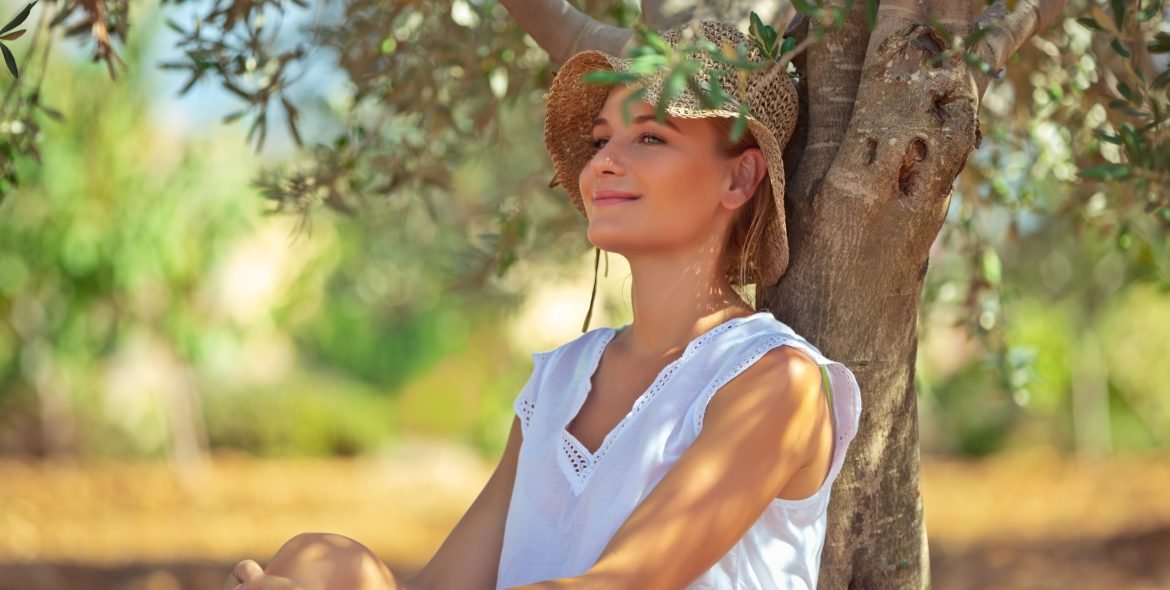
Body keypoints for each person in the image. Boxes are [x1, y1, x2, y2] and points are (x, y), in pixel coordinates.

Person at [225, 20, 861, 590]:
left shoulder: (777, 383)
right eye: (600, 141)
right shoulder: (557, 381)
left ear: (739, 178)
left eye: (649, 139)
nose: (604, 165)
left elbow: (625, 583)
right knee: (323, 562)